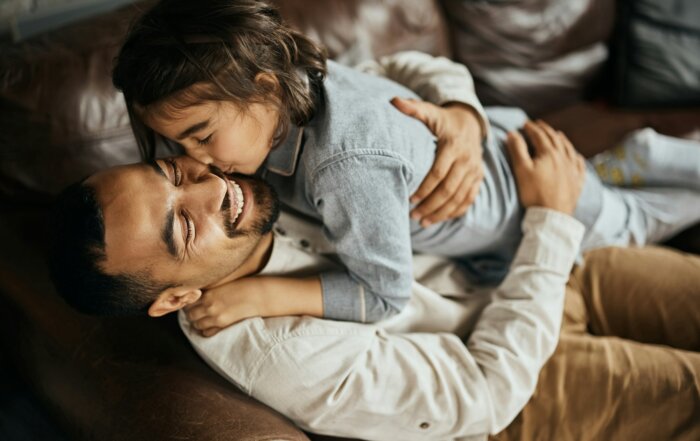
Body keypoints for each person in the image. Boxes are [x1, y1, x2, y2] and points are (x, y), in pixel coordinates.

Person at [48, 125, 700, 440]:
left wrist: (460, 124)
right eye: (184, 230)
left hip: (535, 268)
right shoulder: (287, 356)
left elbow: (386, 84)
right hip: (520, 379)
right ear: (178, 298)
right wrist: (552, 221)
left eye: (174, 171)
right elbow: (487, 390)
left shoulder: (242, 152)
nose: (215, 187)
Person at [112, 0, 700, 329]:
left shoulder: (343, 169)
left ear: (262, 89)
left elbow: (385, 296)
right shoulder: (300, 76)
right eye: (178, 147)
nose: (197, 162)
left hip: (527, 204)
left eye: (201, 137)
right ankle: (640, 156)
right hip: (504, 141)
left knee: (639, 223)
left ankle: (656, 174)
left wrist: (261, 296)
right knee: (616, 190)